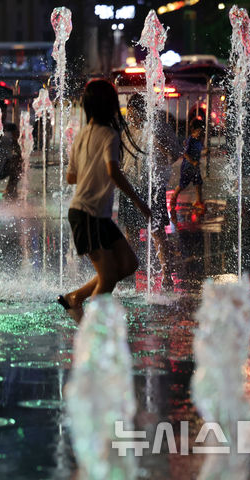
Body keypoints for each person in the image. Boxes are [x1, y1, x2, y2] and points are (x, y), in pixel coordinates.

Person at [57, 79, 151, 322]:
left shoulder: (81, 135)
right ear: (109, 105)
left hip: (95, 214)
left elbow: (71, 177)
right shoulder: (109, 134)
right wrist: (140, 202)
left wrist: (89, 163)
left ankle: (75, 298)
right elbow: (113, 171)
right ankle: (94, 330)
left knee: (129, 264)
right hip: (88, 213)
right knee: (108, 277)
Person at [119, 94, 179, 288]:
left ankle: (167, 274)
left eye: (133, 112)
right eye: (129, 112)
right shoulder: (125, 133)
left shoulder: (159, 129)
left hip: (152, 187)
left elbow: (174, 154)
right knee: (131, 232)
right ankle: (129, 273)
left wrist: (155, 140)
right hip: (131, 187)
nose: (130, 116)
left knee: (157, 231)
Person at [170, 119, 206, 222]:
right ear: (193, 130)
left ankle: (199, 202)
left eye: (202, 131)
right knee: (183, 184)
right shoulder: (190, 140)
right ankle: (174, 197)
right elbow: (184, 153)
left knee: (198, 183)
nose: (201, 133)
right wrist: (192, 162)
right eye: (199, 131)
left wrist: (204, 151)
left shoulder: (199, 140)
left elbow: (199, 151)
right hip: (187, 167)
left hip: (195, 167)